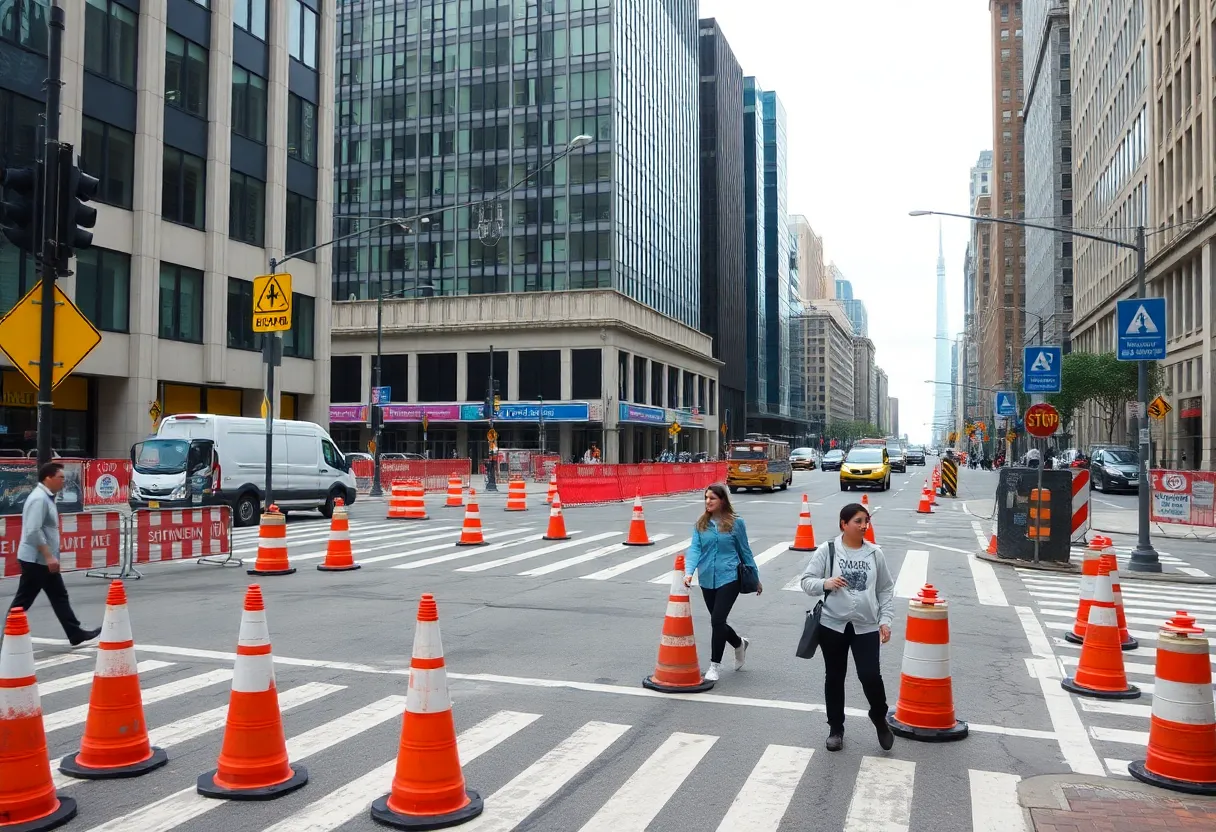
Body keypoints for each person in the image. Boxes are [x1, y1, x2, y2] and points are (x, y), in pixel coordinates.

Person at [800, 503, 895, 752]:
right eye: (858, 521)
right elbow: (806, 582)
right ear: (843, 524)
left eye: (866, 521)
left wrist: (885, 619)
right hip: (832, 624)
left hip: (866, 626)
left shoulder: (875, 554)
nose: (864, 526)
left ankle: (878, 715)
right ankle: (836, 728)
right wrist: (826, 583)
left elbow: (885, 588)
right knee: (834, 676)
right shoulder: (828, 550)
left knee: (870, 675)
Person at [8, 462, 101, 646]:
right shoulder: (39, 499)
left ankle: (75, 633)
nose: (63, 481)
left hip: (39, 559)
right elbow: (32, 531)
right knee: (26, 600)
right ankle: (7, 635)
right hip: (37, 560)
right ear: (48, 478)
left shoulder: (45, 497)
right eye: (61, 477)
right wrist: (48, 555)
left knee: (54, 596)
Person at [683, 483, 762, 682]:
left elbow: (745, 551)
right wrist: (688, 572)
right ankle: (739, 643)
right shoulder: (701, 524)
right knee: (718, 622)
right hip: (707, 578)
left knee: (717, 620)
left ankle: (714, 666)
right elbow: (694, 550)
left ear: (723, 501)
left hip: (730, 577)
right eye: (706, 498)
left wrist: (755, 577)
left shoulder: (736, 523)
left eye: (712, 498)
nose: (708, 501)